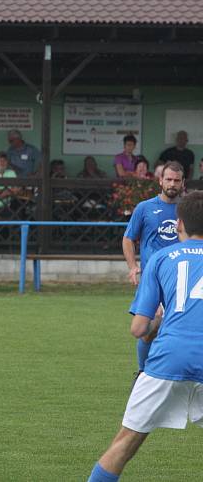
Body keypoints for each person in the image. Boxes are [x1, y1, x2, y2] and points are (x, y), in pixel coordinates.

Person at [86, 190, 203, 482]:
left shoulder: (162, 258)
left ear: (178, 224)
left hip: (169, 357)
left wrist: (156, 325)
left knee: (126, 442)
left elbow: (139, 329)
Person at [122, 162, 184, 379]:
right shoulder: (145, 208)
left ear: (182, 183)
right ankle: (142, 373)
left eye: (176, 180)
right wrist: (132, 267)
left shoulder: (188, 210)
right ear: (160, 181)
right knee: (149, 328)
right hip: (153, 280)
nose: (172, 184)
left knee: (181, 330)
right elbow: (129, 239)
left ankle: (175, 376)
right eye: (168, 179)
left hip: (181, 280)